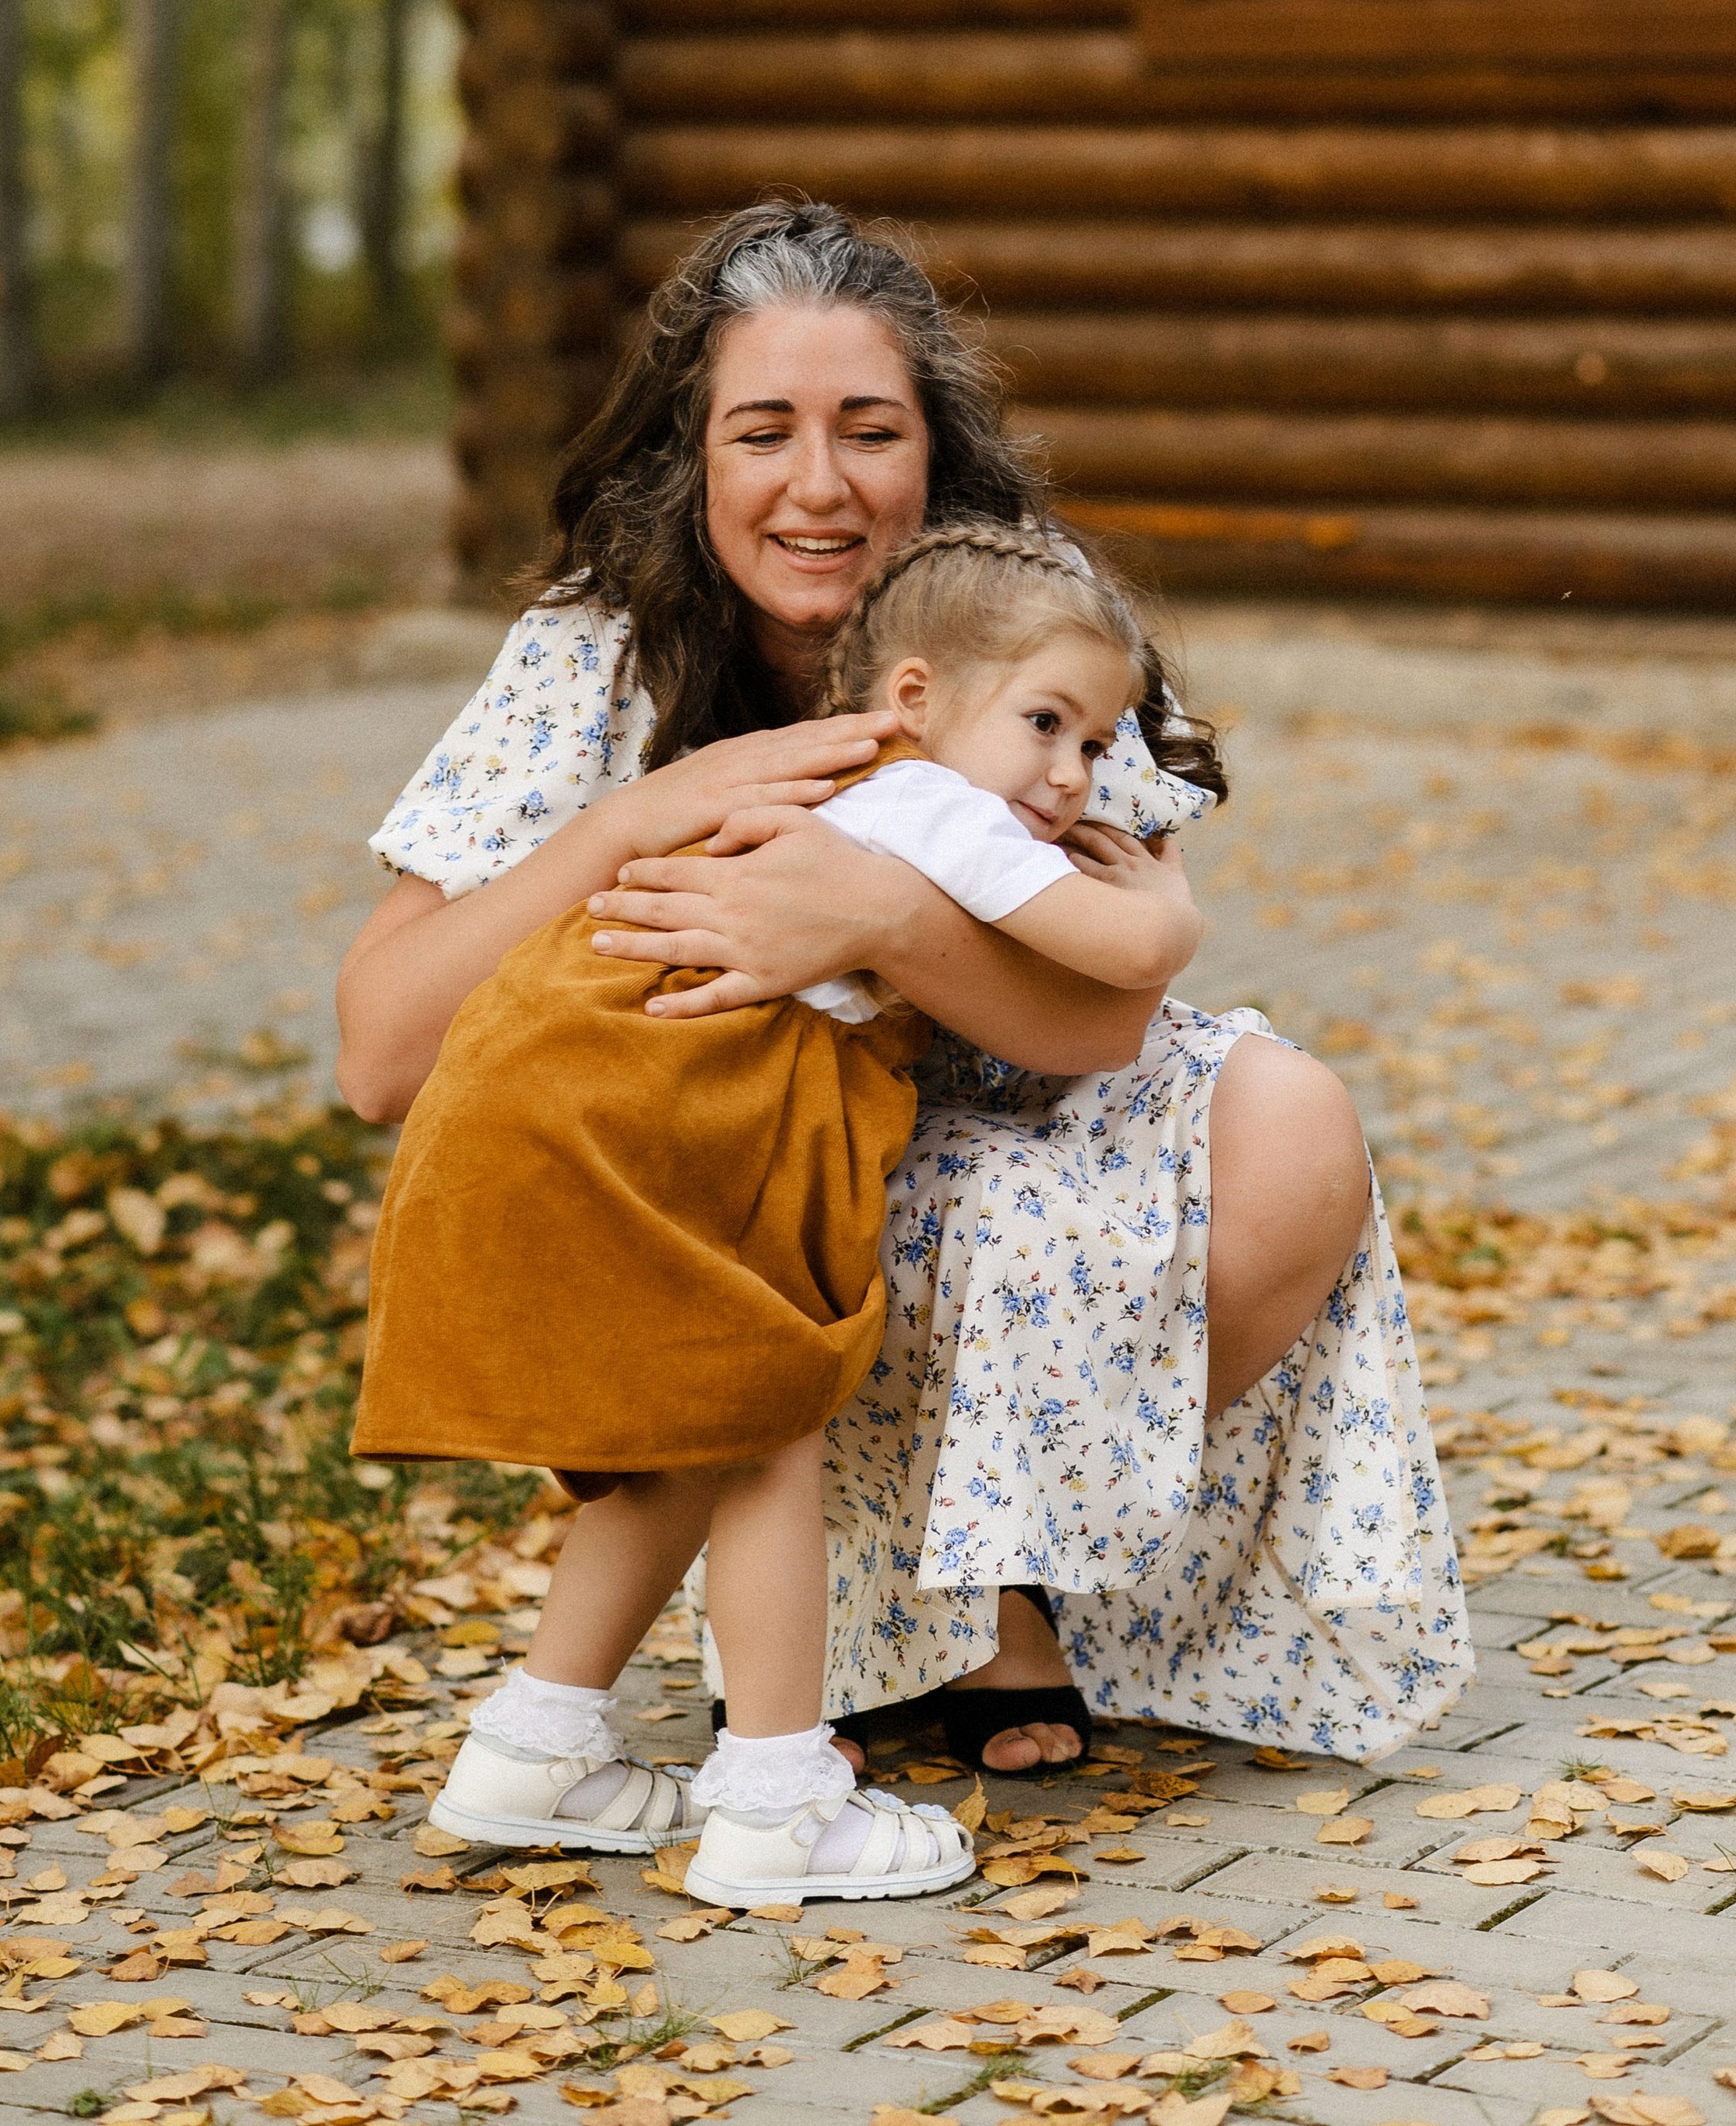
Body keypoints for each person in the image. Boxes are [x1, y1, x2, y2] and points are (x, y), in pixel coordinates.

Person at [339, 199, 1470, 1781]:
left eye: (869, 429)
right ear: (691, 457)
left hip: (984, 1128)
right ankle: (838, 1630)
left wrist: (870, 913)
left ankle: (988, 1583)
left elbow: (1105, 1013)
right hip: (709, 1159)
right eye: (763, 432)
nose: (819, 484)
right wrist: (634, 818)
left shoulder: (1026, 618)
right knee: (748, 1204)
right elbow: (383, 1055)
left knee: (1287, 1124)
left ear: (932, 449)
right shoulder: (592, 650)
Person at [359, 528, 1203, 1906]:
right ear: (917, 698)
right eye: (1047, 723)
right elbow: (1124, 958)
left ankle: (533, 1753)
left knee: (689, 1442)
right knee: (763, 1425)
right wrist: (1163, 900)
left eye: (1099, 743)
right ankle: (774, 1809)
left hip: (566, 1094)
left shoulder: (849, 784)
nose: (1072, 774)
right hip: (651, 1109)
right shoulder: (931, 802)